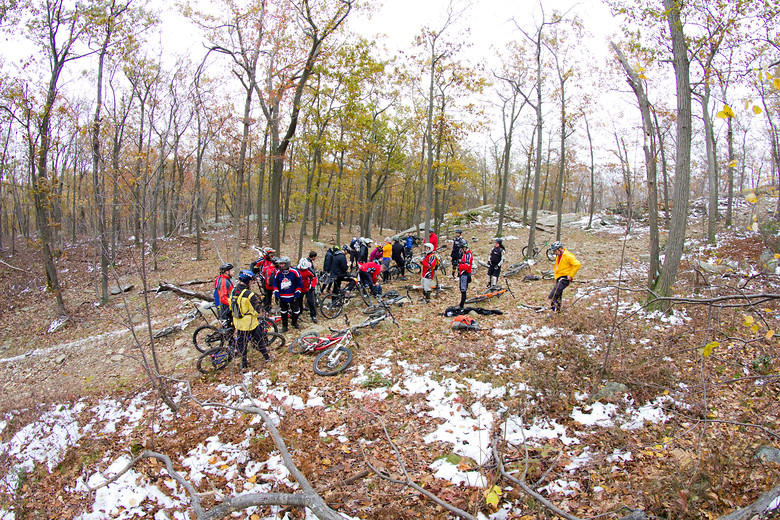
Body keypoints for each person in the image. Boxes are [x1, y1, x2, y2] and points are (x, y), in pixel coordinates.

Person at [230, 269, 271, 369]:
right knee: (260, 339)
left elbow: (231, 305)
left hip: (238, 322)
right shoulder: (249, 294)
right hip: (250, 323)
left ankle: (243, 365)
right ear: (248, 281)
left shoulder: (233, 291)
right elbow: (256, 310)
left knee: (242, 345)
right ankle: (267, 357)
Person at [548, 241, 581, 312]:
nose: (555, 253)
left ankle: (553, 310)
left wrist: (571, 275)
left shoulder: (568, 255)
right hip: (559, 277)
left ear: (560, 249)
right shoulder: (559, 256)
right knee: (558, 295)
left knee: (554, 294)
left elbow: (577, 264)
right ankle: (557, 311)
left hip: (564, 278)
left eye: (555, 251)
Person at [273, 256, 302, 333]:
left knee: (296, 311)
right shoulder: (278, 273)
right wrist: (276, 294)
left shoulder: (294, 272)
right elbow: (275, 284)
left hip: (293, 296)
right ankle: (284, 326)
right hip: (283, 296)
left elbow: (299, 284)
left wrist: (297, 294)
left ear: (287, 264)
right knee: (283, 311)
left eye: (282, 264)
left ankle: (294, 322)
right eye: (280, 264)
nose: (281, 265)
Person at [297, 254, 318, 323]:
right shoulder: (296, 270)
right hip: (299, 288)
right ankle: (299, 312)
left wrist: (313, 286)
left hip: (307, 288)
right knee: (299, 301)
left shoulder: (309, 270)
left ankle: (313, 315)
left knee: (311, 301)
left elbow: (314, 277)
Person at [457, 241, 473, 308]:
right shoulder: (466, 254)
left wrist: (459, 265)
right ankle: (461, 304)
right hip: (463, 274)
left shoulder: (468, 255)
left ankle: (461, 305)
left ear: (464, 248)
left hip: (465, 274)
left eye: (461, 249)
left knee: (463, 290)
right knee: (462, 289)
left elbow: (466, 266)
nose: (461, 250)